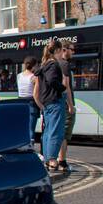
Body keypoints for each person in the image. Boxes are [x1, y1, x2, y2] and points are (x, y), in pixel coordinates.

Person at [37, 39, 69, 174]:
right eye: (62, 50)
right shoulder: (53, 65)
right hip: (55, 101)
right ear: (56, 50)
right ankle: (52, 160)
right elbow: (51, 80)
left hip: (47, 102)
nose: (63, 52)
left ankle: (47, 159)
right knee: (56, 132)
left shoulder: (44, 64)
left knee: (48, 132)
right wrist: (62, 88)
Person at [57, 47, 76, 173]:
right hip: (64, 102)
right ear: (64, 49)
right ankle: (62, 162)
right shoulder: (64, 64)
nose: (73, 52)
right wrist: (70, 105)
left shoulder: (53, 63)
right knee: (64, 132)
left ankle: (53, 160)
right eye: (72, 49)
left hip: (55, 102)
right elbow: (66, 86)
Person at [17, 55, 39, 142]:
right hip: (31, 104)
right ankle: (29, 148)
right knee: (30, 130)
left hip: (20, 103)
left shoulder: (19, 76)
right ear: (33, 66)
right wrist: (41, 106)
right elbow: (35, 94)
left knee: (23, 129)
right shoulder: (34, 77)